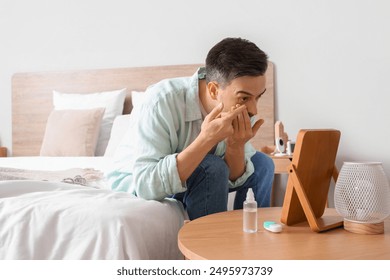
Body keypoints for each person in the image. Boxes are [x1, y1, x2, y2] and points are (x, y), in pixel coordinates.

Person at [107, 37, 275, 220]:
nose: (253, 109)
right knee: (212, 167)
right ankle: (210, 245)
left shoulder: (242, 107)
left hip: (201, 177)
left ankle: (250, 239)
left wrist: (235, 146)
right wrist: (206, 139)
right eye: (244, 98)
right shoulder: (161, 101)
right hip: (140, 179)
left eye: (258, 97)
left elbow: (234, 178)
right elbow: (147, 184)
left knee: (263, 165)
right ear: (213, 90)